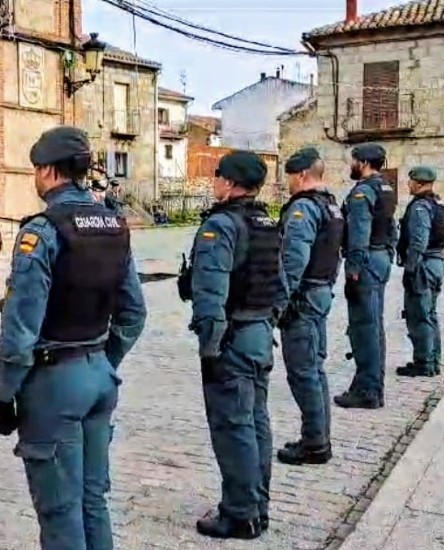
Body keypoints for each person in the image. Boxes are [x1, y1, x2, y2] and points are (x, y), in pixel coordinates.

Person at [0, 126, 147, 550]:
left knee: (60, 511)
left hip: (54, 382)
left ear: (47, 171)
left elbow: (21, 326)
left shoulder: (42, 231)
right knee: (93, 501)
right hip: (98, 375)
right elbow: (134, 312)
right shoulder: (114, 225)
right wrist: (103, 360)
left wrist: (5, 393)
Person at [181, 150, 283, 540]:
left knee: (233, 426)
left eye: (217, 176)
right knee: (256, 422)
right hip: (259, 332)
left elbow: (210, 294)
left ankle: (240, 514)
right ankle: (258, 506)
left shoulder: (221, 225)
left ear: (229, 182)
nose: (214, 182)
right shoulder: (266, 222)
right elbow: (281, 282)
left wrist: (210, 346)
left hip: (232, 336)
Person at [275, 148, 343, 466]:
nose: (287, 182)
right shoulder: (330, 205)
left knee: (303, 372)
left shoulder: (303, 208)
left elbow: (294, 261)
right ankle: (318, 437)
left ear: (301, 175)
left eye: (289, 176)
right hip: (321, 291)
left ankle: (315, 443)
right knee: (315, 369)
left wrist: (279, 303)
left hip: (303, 297)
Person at [335, 143, 397, 410]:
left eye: (353, 161)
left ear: (363, 163)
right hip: (380, 257)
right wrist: (389, 253)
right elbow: (392, 226)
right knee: (374, 326)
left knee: (364, 328)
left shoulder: (362, 192)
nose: (351, 165)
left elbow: (359, 234)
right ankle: (370, 386)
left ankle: (368, 391)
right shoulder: (386, 188)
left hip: (366, 260)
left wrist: (353, 270)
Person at [395, 167, 444, 378]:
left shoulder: (420, 207)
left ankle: (424, 362)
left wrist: (411, 268)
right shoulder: (438, 203)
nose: (408, 184)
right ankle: (433, 360)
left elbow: (419, 240)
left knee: (419, 314)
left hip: (424, 264)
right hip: (436, 262)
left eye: (410, 181)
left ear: (418, 183)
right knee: (430, 314)